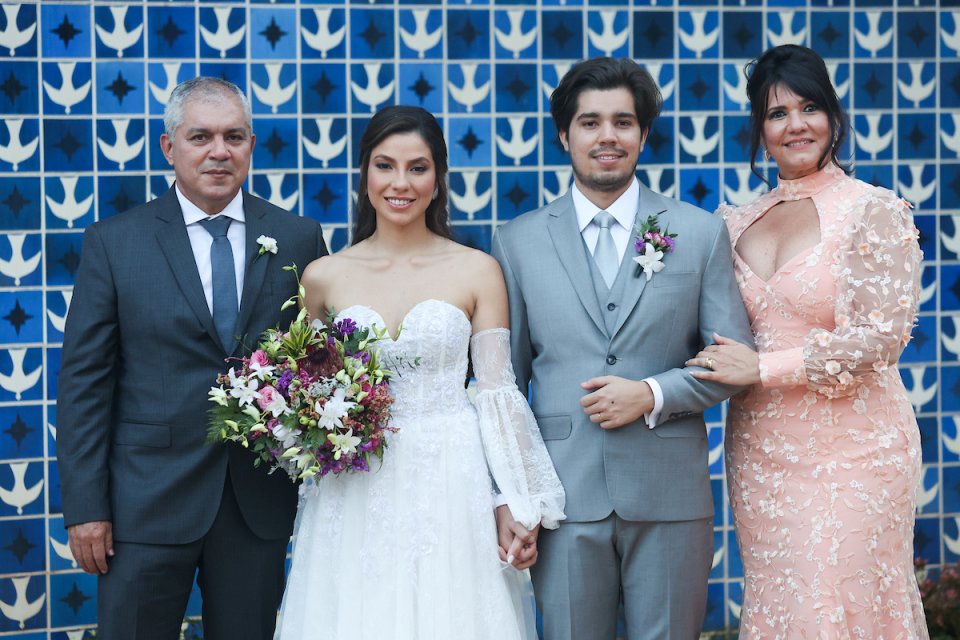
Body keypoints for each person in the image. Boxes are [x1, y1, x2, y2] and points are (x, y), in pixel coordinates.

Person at [274, 105, 565, 640]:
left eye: (418, 167)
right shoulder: (323, 276)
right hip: (354, 484)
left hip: (451, 478)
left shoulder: (477, 269)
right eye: (385, 166)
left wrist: (513, 499)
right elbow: (301, 390)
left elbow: (498, 391)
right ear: (364, 175)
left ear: (438, 179)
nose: (400, 183)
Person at [491, 57, 754, 640]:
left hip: (669, 492)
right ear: (564, 135)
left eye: (623, 122)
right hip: (562, 495)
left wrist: (653, 392)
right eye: (589, 123)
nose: (607, 136)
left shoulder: (698, 231)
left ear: (643, 134)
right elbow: (502, 387)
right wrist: (510, 495)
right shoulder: (516, 242)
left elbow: (736, 364)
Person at [57, 77, 327, 640]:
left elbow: (317, 365)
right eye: (200, 136)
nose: (219, 151)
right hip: (143, 506)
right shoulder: (115, 241)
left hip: (256, 503)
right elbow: (84, 384)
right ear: (169, 147)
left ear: (251, 144)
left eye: (234, 136)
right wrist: (86, 507)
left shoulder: (299, 237)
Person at [688, 44, 929, 638]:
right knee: (784, 602)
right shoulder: (730, 223)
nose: (796, 124)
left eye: (810, 107)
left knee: (839, 600)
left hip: (857, 451)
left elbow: (882, 339)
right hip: (763, 456)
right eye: (776, 113)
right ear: (759, 129)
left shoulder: (873, 210)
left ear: (833, 117)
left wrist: (763, 369)